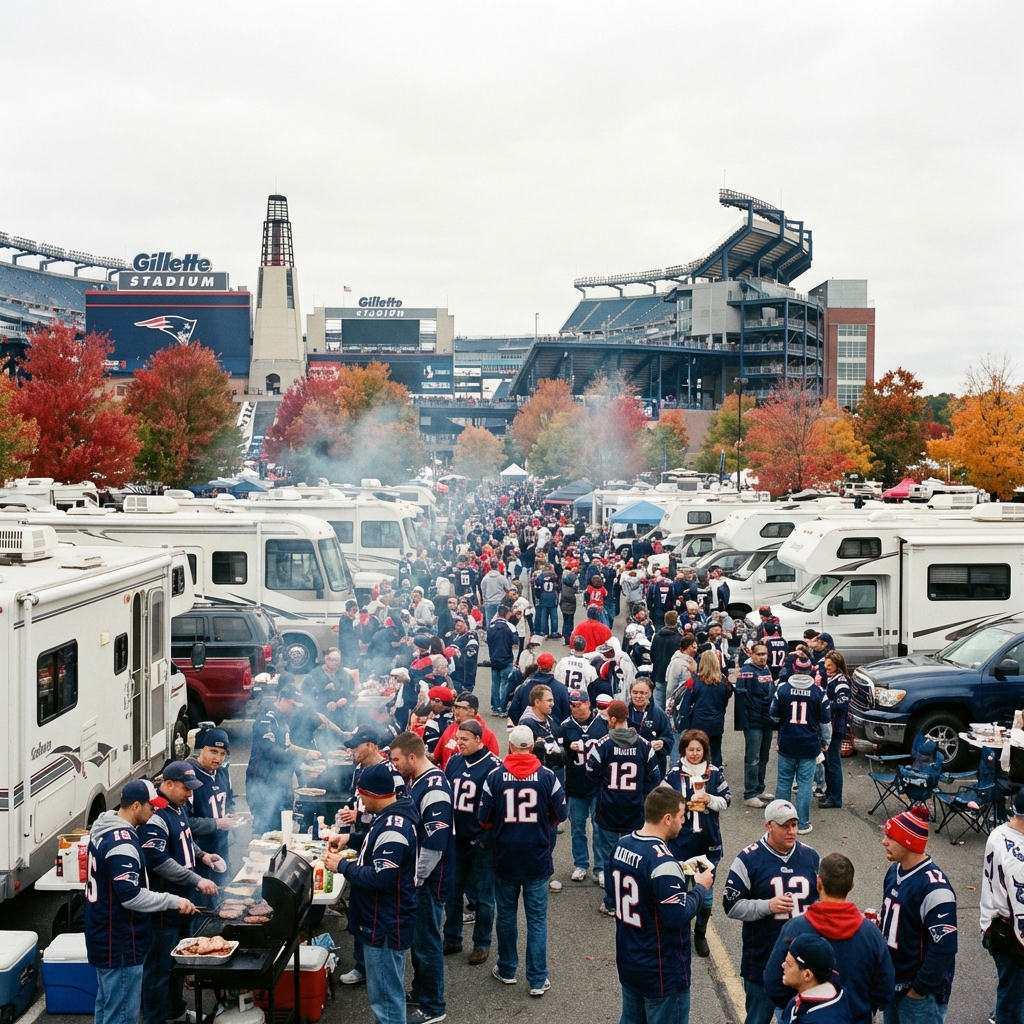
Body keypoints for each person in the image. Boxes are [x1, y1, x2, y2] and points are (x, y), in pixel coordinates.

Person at [85, 779, 196, 1024]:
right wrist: (173, 900)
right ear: (136, 806)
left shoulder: (102, 827)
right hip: (119, 940)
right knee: (122, 1016)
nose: (155, 811)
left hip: (102, 932)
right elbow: (131, 895)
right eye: (152, 806)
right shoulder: (122, 842)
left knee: (106, 1008)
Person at [610, 787, 715, 1024]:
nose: (684, 821)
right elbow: (676, 916)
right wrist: (700, 888)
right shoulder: (663, 863)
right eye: (681, 816)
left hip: (629, 961)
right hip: (660, 971)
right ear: (667, 819)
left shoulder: (622, 846)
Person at [325, 762, 419, 1024]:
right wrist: (351, 840)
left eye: (362, 795)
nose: (361, 802)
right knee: (386, 999)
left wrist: (341, 865)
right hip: (382, 920)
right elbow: (374, 845)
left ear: (374, 794)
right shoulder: (389, 815)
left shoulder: (393, 828)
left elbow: (381, 877)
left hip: (385, 924)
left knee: (387, 1003)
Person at [478, 724, 568, 995]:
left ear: (510, 747)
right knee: (537, 919)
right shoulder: (547, 776)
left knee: (506, 916)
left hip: (505, 856)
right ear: (532, 748)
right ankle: (538, 979)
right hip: (537, 857)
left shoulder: (495, 776)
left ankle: (507, 969)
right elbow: (559, 816)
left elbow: (484, 819)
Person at [764, 852, 894, 1023]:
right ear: (851, 885)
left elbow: (773, 982)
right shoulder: (872, 934)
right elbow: (885, 989)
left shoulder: (795, 928)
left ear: (818, 883)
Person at [723, 799, 821, 1024]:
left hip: (804, 963)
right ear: (768, 825)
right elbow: (731, 906)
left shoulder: (811, 857)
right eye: (784, 825)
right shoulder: (748, 859)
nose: (792, 831)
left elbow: (824, 901)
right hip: (762, 961)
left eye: (795, 825)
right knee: (758, 1019)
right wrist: (767, 906)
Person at [140, 762, 224, 1024]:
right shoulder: (155, 816)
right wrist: (197, 880)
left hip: (183, 904)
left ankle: (175, 1012)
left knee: (178, 965)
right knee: (158, 971)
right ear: (168, 784)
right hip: (164, 908)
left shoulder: (178, 807)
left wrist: (203, 855)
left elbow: (186, 839)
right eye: (186, 789)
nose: (190, 794)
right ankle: (155, 1019)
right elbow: (159, 861)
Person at [389, 732, 456, 1024]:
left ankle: (433, 1006)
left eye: (396, 759)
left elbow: (434, 844)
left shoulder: (435, 787)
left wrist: (413, 879)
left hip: (430, 880)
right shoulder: (417, 781)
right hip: (421, 879)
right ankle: (420, 991)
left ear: (412, 757)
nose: (394, 765)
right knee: (418, 940)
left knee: (427, 942)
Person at [334, 725, 407, 986]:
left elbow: (392, 809)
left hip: (380, 841)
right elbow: (361, 804)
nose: (351, 749)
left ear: (372, 746)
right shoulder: (359, 769)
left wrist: (361, 816)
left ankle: (369, 966)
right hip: (363, 838)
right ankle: (362, 963)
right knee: (360, 903)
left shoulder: (392, 775)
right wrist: (350, 820)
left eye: (357, 745)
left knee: (373, 899)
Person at [879, 805, 957, 1024]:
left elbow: (943, 950)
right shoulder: (894, 871)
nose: (884, 841)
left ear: (908, 842)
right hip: (894, 983)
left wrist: (918, 990)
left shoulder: (936, 889)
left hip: (918, 996)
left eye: (890, 837)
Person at [663, 729, 731, 958]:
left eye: (698, 750)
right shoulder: (673, 774)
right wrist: (683, 805)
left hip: (707, 844)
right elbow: (662, 800)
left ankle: (700, 934)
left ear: (705, 751)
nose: (694, 754)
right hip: (679, 845)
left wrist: (709, 800)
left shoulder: (714, 773)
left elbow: (727, 800)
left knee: (706, 896)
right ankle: (679, 934)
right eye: (690, 749)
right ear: (683, 750)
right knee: (678, 894)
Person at [587, 700, 662, 904]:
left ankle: (611, 901)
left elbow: (590, 774)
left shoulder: (602, 745)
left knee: (611, 858)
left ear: (612, 719)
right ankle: (633, 901)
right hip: (634, 809)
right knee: (633, 857)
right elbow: (654, 779)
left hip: (608, 809)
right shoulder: (645, 746)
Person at [442, 720, 503, 964]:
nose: (460, 743)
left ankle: (482, 943)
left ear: (479, 739)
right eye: (458, 738)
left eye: (465, 738)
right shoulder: (455, 761)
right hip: (456, 839)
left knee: (484, 897)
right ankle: (453, 938)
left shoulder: (493, 767)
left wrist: (485, 840)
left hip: (480, 843)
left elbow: (501, 810)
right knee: (452, 893)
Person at [245, 680, 322, 837]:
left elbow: (287, 746)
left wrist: (305, 756)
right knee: (265, 830)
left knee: (281, 829)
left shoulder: (283, 718)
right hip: (263, 781)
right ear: (284, 699)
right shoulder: (267, 718)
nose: (294, 709)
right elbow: (269, 750)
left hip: (281, 782)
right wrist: (297, 759)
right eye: (293, 705)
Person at [981, 786, 1024, 1024]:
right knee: (1013, 1003)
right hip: (1014, 935)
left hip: (994, 922)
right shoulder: (1019, 861)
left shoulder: (998, 833)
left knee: (1009, 984)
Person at [770, 672, 830, 836]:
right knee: (805, 785)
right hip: (809, 745)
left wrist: (780, 736)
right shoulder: (818, 692)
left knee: (783, 782)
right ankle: (802, 823)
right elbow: (825, 722)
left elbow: (773, 716)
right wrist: (825, 742)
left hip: (787, 743)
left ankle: (780, 821)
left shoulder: (782, 689)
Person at [559, 689, 609, 883]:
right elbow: (558, 756)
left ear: (588, 703)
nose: (574, 708)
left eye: (578, 704)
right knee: (578, 828)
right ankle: (581, 864)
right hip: (576, 785)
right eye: (571, 704)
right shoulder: (566, 726)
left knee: (599, 829)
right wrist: (566, 752)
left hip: (598, 785)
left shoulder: (603, 723)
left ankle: (601, 868)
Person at [186, 728, 237, 882]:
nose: (218, 758)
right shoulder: (189, 776)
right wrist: (217, 823)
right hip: (199, 852)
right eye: (213, 751)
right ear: (203, 749)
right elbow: (184, 822)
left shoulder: (223, 773)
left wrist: (230, 813)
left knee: (223, 892)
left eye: (222, 754)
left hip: (221, 846)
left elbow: (228, 801)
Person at [735, 642, 776, 808]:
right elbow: (740, 700)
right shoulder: (745, 672)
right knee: (753, 758)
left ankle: (759, 788)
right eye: (759, 654)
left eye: (765, 654)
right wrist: (742, 722)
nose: (762, 657)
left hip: (767, 720)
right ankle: (750, 793)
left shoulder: (767, 670)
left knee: (764, 756)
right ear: (752, 654)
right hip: (753, 721)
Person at [678, 649, 733, 768]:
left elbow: (686, 704)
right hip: (716, 722)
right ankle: (717, 775)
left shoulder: (694, 682)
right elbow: (726, 700)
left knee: (698, 751)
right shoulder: (723, 682)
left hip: (699, 723)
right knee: (716, 750)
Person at [779, 934, 850, 1023]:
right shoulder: (801, 1000)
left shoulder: (824, 1020)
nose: (783, 965)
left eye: (789, 964)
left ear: (807, 975)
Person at [433, 692, 499, 769]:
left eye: (458, 707)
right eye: (454, 707)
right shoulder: (450, 729)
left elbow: (494, 767)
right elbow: (436, 757)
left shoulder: (488, 736)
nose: (454, 711)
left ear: (471, 711)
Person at [819, 651, 851, 810]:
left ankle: (835, 797)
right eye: (825, 666)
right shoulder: (830, 679)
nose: (827, 669)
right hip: (829, 726)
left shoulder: (841, 681)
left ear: (837, 665)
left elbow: (842, 704)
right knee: (827, 761)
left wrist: (824, 706)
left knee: (833, 763)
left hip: (836, 726)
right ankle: (830, 791)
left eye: (830, 666)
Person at [625, 677, 672, 778]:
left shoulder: (660, 714)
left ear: (650, 694)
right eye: (635, 692)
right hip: (629, 766)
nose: (638, 696)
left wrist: (662, 742)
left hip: (653, 765)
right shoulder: (624, 713)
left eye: (643, 693)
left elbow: (669, 739)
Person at [486, 605, 518, 716]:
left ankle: (495, 707)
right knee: (505, 684)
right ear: (507, 614)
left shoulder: (491, 627)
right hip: (507, 659)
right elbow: (515, 645)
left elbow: (488, 642)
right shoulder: (511, 627)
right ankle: (503, 708)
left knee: (495, 683)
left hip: (494, 659)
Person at [651, 609, 682, 710]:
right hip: (672, 677)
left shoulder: (657, 636)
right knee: (670, 705)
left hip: (658, 674)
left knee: (658, 705)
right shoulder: (678, 639)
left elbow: (652, 655)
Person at [449, 615, 479, 693]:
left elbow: (470, 662)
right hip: (453, 674)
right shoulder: (454, 636)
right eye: (456, 625)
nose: (457, 627)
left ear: (466, 624)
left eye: (459, 625)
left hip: (463, 677)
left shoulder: (470, 637)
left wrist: (468, 683)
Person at [481, 560, 513, 625]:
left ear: (490, 567)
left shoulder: (485, 578)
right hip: (500, 601)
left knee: (490, 624)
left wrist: (484, 600)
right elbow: (508, 589)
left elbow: (483, 591)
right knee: (501, 622)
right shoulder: (502, 578)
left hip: (489, 602)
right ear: (497, 567)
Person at [559, 569, 579, 644]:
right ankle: (570, 638)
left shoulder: (563, 587)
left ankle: (565, 637)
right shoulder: (573, 590)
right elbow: (574, 601)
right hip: (571, 609)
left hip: (564, 608)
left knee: (565, 622)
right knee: (570, 623)